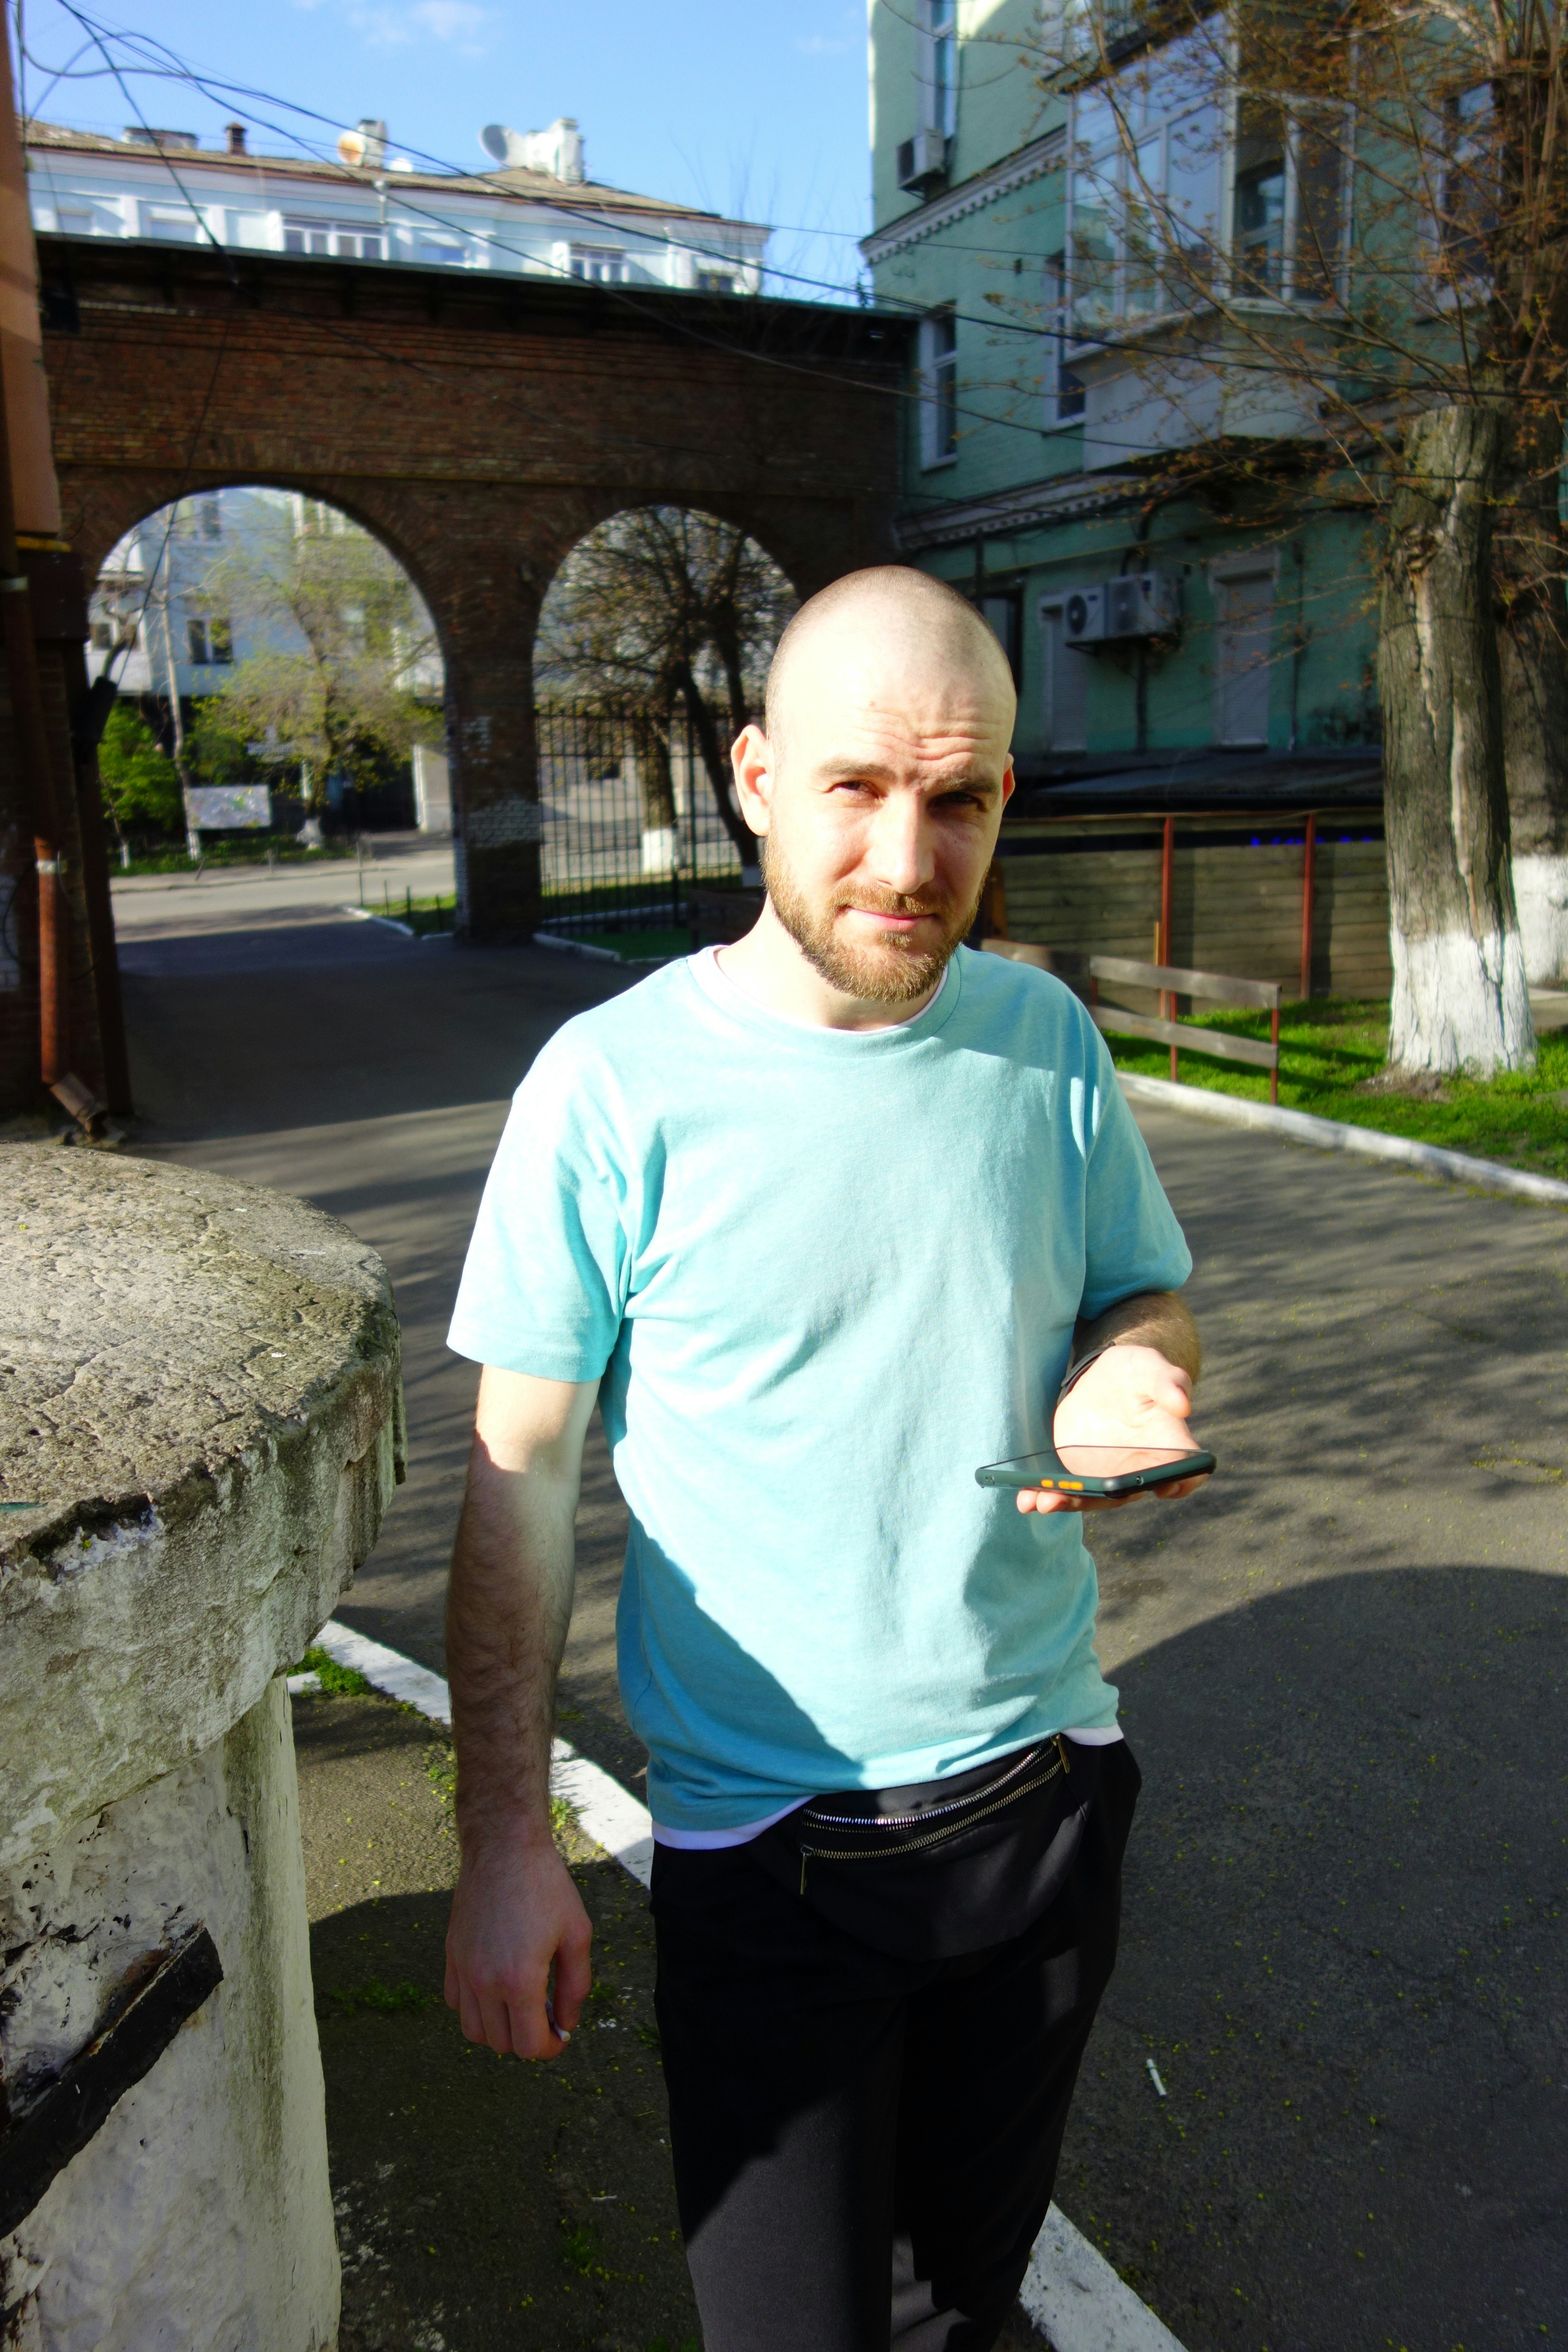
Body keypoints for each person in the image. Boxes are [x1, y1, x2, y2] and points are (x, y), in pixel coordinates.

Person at [443, 564, 1205, 2352]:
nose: (910, 858)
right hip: (773, 1854)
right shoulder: (611, 1086)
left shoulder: (1044, 1041)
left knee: (967, 2311)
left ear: (1005, 797)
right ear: (757, 776)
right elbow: (521, 1477)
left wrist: (1134, 1372)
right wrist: (502, 1843)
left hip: (1048, 1805)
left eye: (960, 800)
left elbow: (1145, 1289)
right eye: (860, 787)